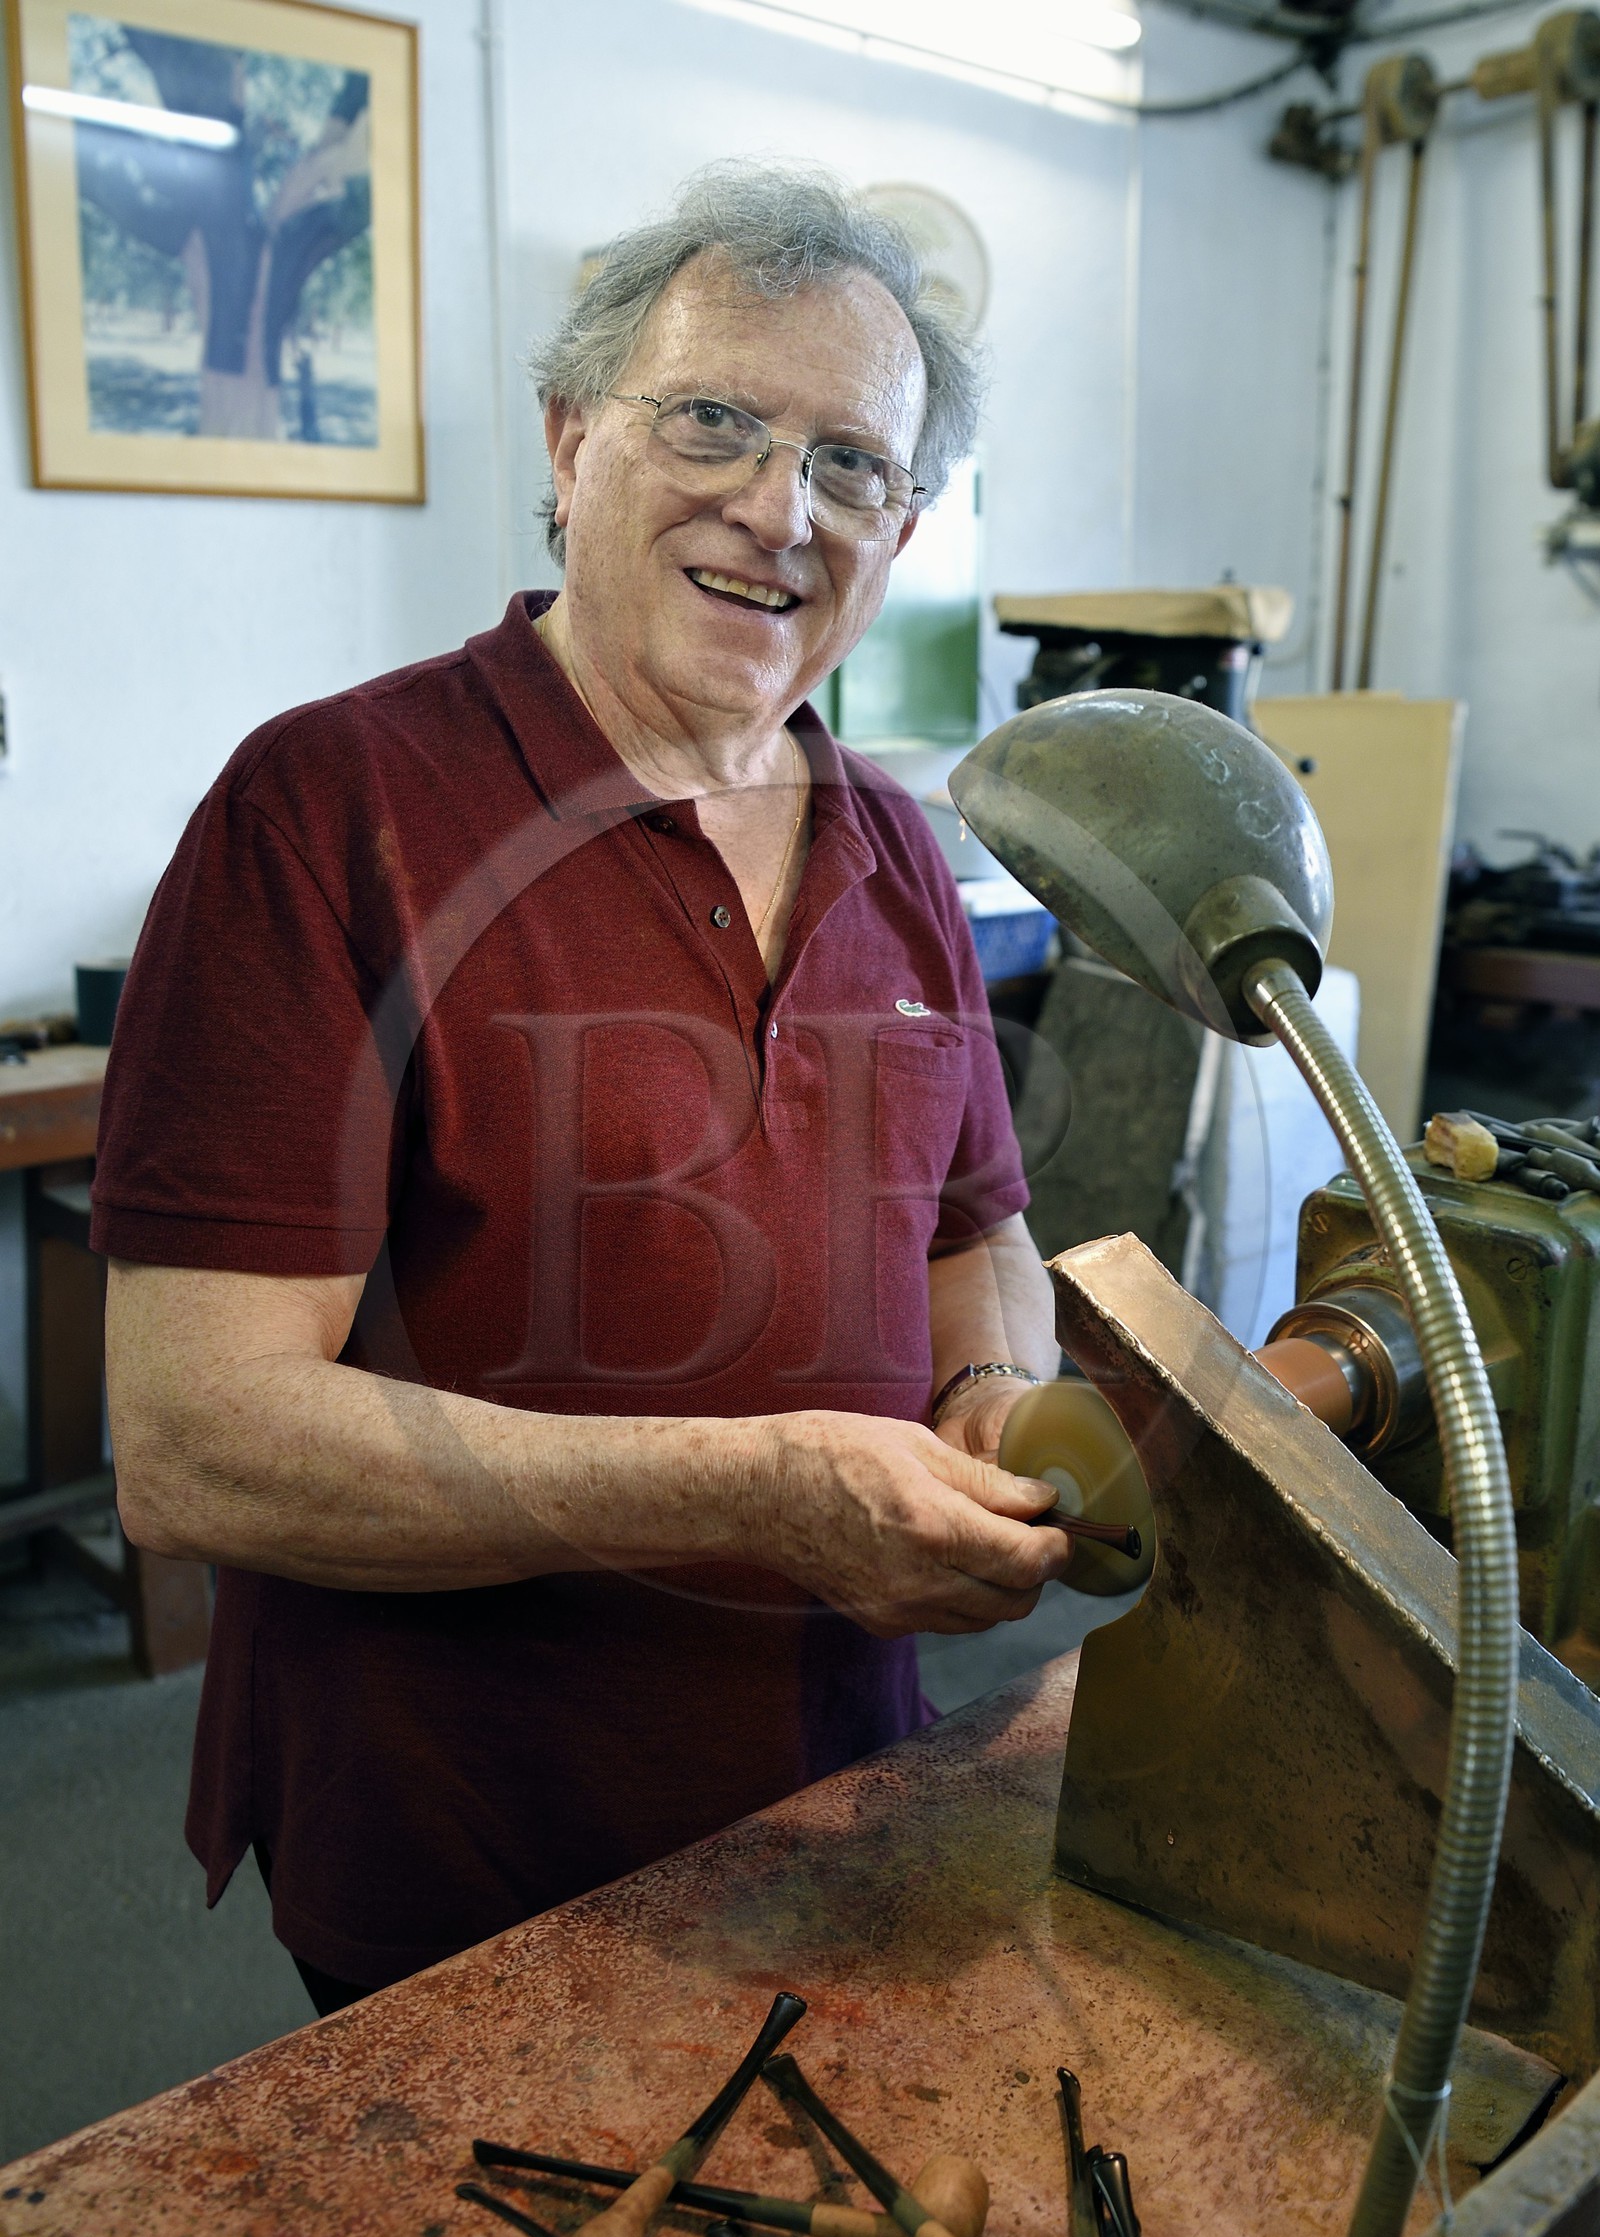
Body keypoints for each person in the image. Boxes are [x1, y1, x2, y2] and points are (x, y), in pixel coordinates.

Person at [95, 165, 1071, 2015]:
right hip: (475, 1847)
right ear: (569, 440)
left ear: (906, 524)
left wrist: (995, 1401)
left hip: (859, 1790)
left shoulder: (902, 850)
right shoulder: (329, 811)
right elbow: (193, 1441)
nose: (779, 509)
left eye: (853, 465)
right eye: (714, 419)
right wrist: (759, 1487)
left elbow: (981, 1231)